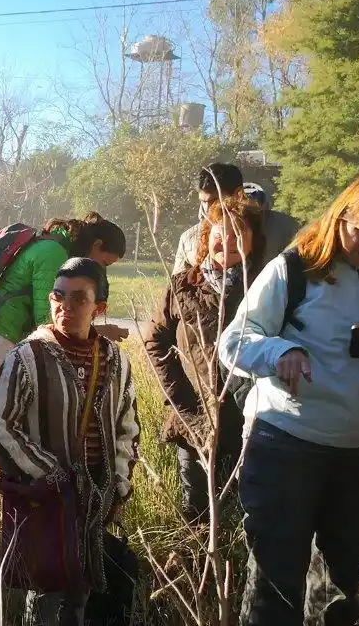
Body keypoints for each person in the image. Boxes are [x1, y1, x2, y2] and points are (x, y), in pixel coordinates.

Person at [218, 169, 359, 626]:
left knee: (340, 591)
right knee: (275, 585)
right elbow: (233, 343)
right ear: (340, 217)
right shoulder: (293, 269)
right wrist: (281, 351)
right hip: (286, 446)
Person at [0, 257, 141, 626]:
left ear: (99, 308)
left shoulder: (116, 360)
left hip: (98, 496)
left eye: (78, 298)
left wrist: (117, 486)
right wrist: (51, 476)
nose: (65, 305)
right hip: (48, 499)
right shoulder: (27, 356)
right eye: (58, 295)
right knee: (46, 592)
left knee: (85, 590)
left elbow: (128, 427)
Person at [142, 195, 264, 527]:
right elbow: (154, 341)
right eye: (220, 234)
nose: (228, 243)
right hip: (191, 416)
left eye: (239, 235)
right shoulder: (182, 286)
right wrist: (183, 401)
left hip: (246, 419)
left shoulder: (264, 289)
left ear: (254, 242)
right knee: (194, 511)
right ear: (207, 237)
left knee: (242, 512)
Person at [0, 213, 128, 440]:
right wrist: (97, 332)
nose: (102, 271)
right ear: (96, 245)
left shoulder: (54, 247)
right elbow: (48, 318)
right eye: (105, 263)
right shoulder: (53, 253)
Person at [172, 164, 301, 274]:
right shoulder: (188, 239)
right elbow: (178, 290)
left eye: (214, 201)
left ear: (238, 194)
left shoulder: (284, 229)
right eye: (203, 202)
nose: (207, 209)